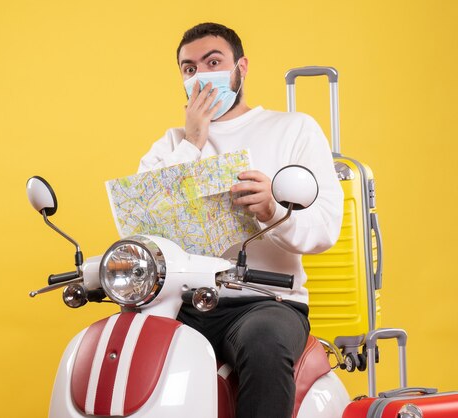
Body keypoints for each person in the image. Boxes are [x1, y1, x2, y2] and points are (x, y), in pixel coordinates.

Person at [137, 23, 344, 418]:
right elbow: (143, 221)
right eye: (189, 68)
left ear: (241, 67)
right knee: (131, 344)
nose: (201, 75)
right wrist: (193, 142)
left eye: (213, 62)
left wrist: (273, 211)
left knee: (263, 342)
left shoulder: (294, 129)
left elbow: (325, 229)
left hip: (266, 304)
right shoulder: (171, 144)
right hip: (181, 302)